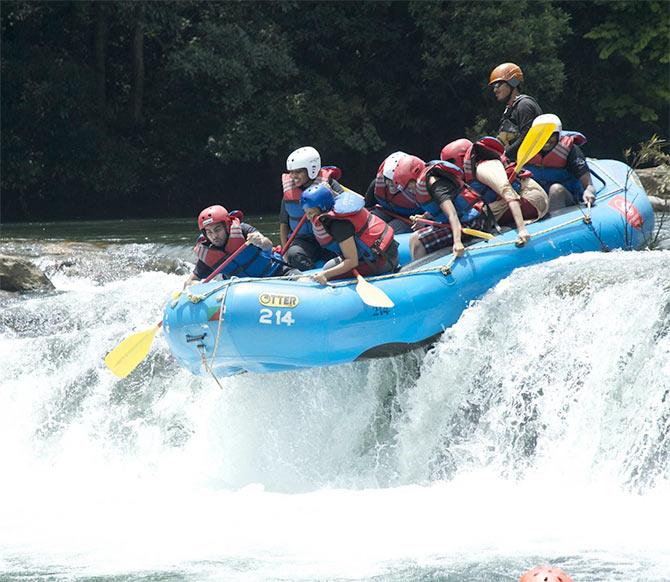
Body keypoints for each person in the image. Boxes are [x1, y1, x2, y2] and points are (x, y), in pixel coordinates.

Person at [441, 135, 549, 245]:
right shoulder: (470, 172)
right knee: (472, 213)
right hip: (517, 200)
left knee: (477, 216)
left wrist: (522, 230)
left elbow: (508, 192)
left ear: (459, 159)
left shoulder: (484, 167)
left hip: (532, 199)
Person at [392, 154, 488, 260]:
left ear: (415, 175)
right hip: (459, 222)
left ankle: (425, 273)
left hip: (472, 223)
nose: (411, 191)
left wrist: (457, 242)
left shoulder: (436, 185)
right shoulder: (427, 183)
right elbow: (441, 208)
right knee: (414, 238)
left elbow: (452, 214)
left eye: (410, 187)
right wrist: (424, 217)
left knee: (419, 242)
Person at [300, 183, 398, 284]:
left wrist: (325, 275)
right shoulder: (336, 211)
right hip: (383, 253)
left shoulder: (338, 225)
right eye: (306, 212)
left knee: (328, 270)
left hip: (383, 261)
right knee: (328, 266)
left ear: (322, 208)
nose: (308, 217)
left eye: (311, 213)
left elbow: (352, 261)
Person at [184, 205, 291, 287]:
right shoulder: (208, 253)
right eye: (209, 232)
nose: (214, 236)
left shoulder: (243, 230)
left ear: (227, 226)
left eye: (217, 230)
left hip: (277, 273)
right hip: (246, 290)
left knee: (303, 281)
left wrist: (260, 241)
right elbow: (191, 281)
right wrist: (194, 285)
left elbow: (268, 245)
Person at [279, 146, 344, 271]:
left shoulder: (329, 184)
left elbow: (348, 208)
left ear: (311, 170)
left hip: (329, 239)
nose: (293, 176)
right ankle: (311, 277)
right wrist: (285, 252)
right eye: (291, 172)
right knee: (294, 255)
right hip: (304, 242)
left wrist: (332, 194)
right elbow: (284, 223)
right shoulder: (289, 191)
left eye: (298, 172)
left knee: (341, 254)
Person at [524, 113, 596, 211]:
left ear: (558, 135)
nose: (546, 141)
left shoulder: (571, 150)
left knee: (556, 190)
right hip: (539, 199)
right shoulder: (525, 150)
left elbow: (589, 185)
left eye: (551, 135)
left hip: (567, 199)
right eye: (542, 135)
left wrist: (589, 192)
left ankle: (553, 222)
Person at [489, 62, 542, 161]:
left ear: (512, 83)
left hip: (526, 166)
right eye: (493, 87)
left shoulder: (524, 105)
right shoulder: (509, 109)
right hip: (512, 163)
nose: (495, 90)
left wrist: (504, 155)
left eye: (498, 85)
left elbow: (527, 138)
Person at [364, 151, 422, 234]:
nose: (392, 184)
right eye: (388, 180)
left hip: (407, 220)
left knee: (390, 232)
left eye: (395, 180)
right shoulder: (377, 184)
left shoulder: (415, 189)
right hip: (385, 211)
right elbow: (367, 206)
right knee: (368, 224)